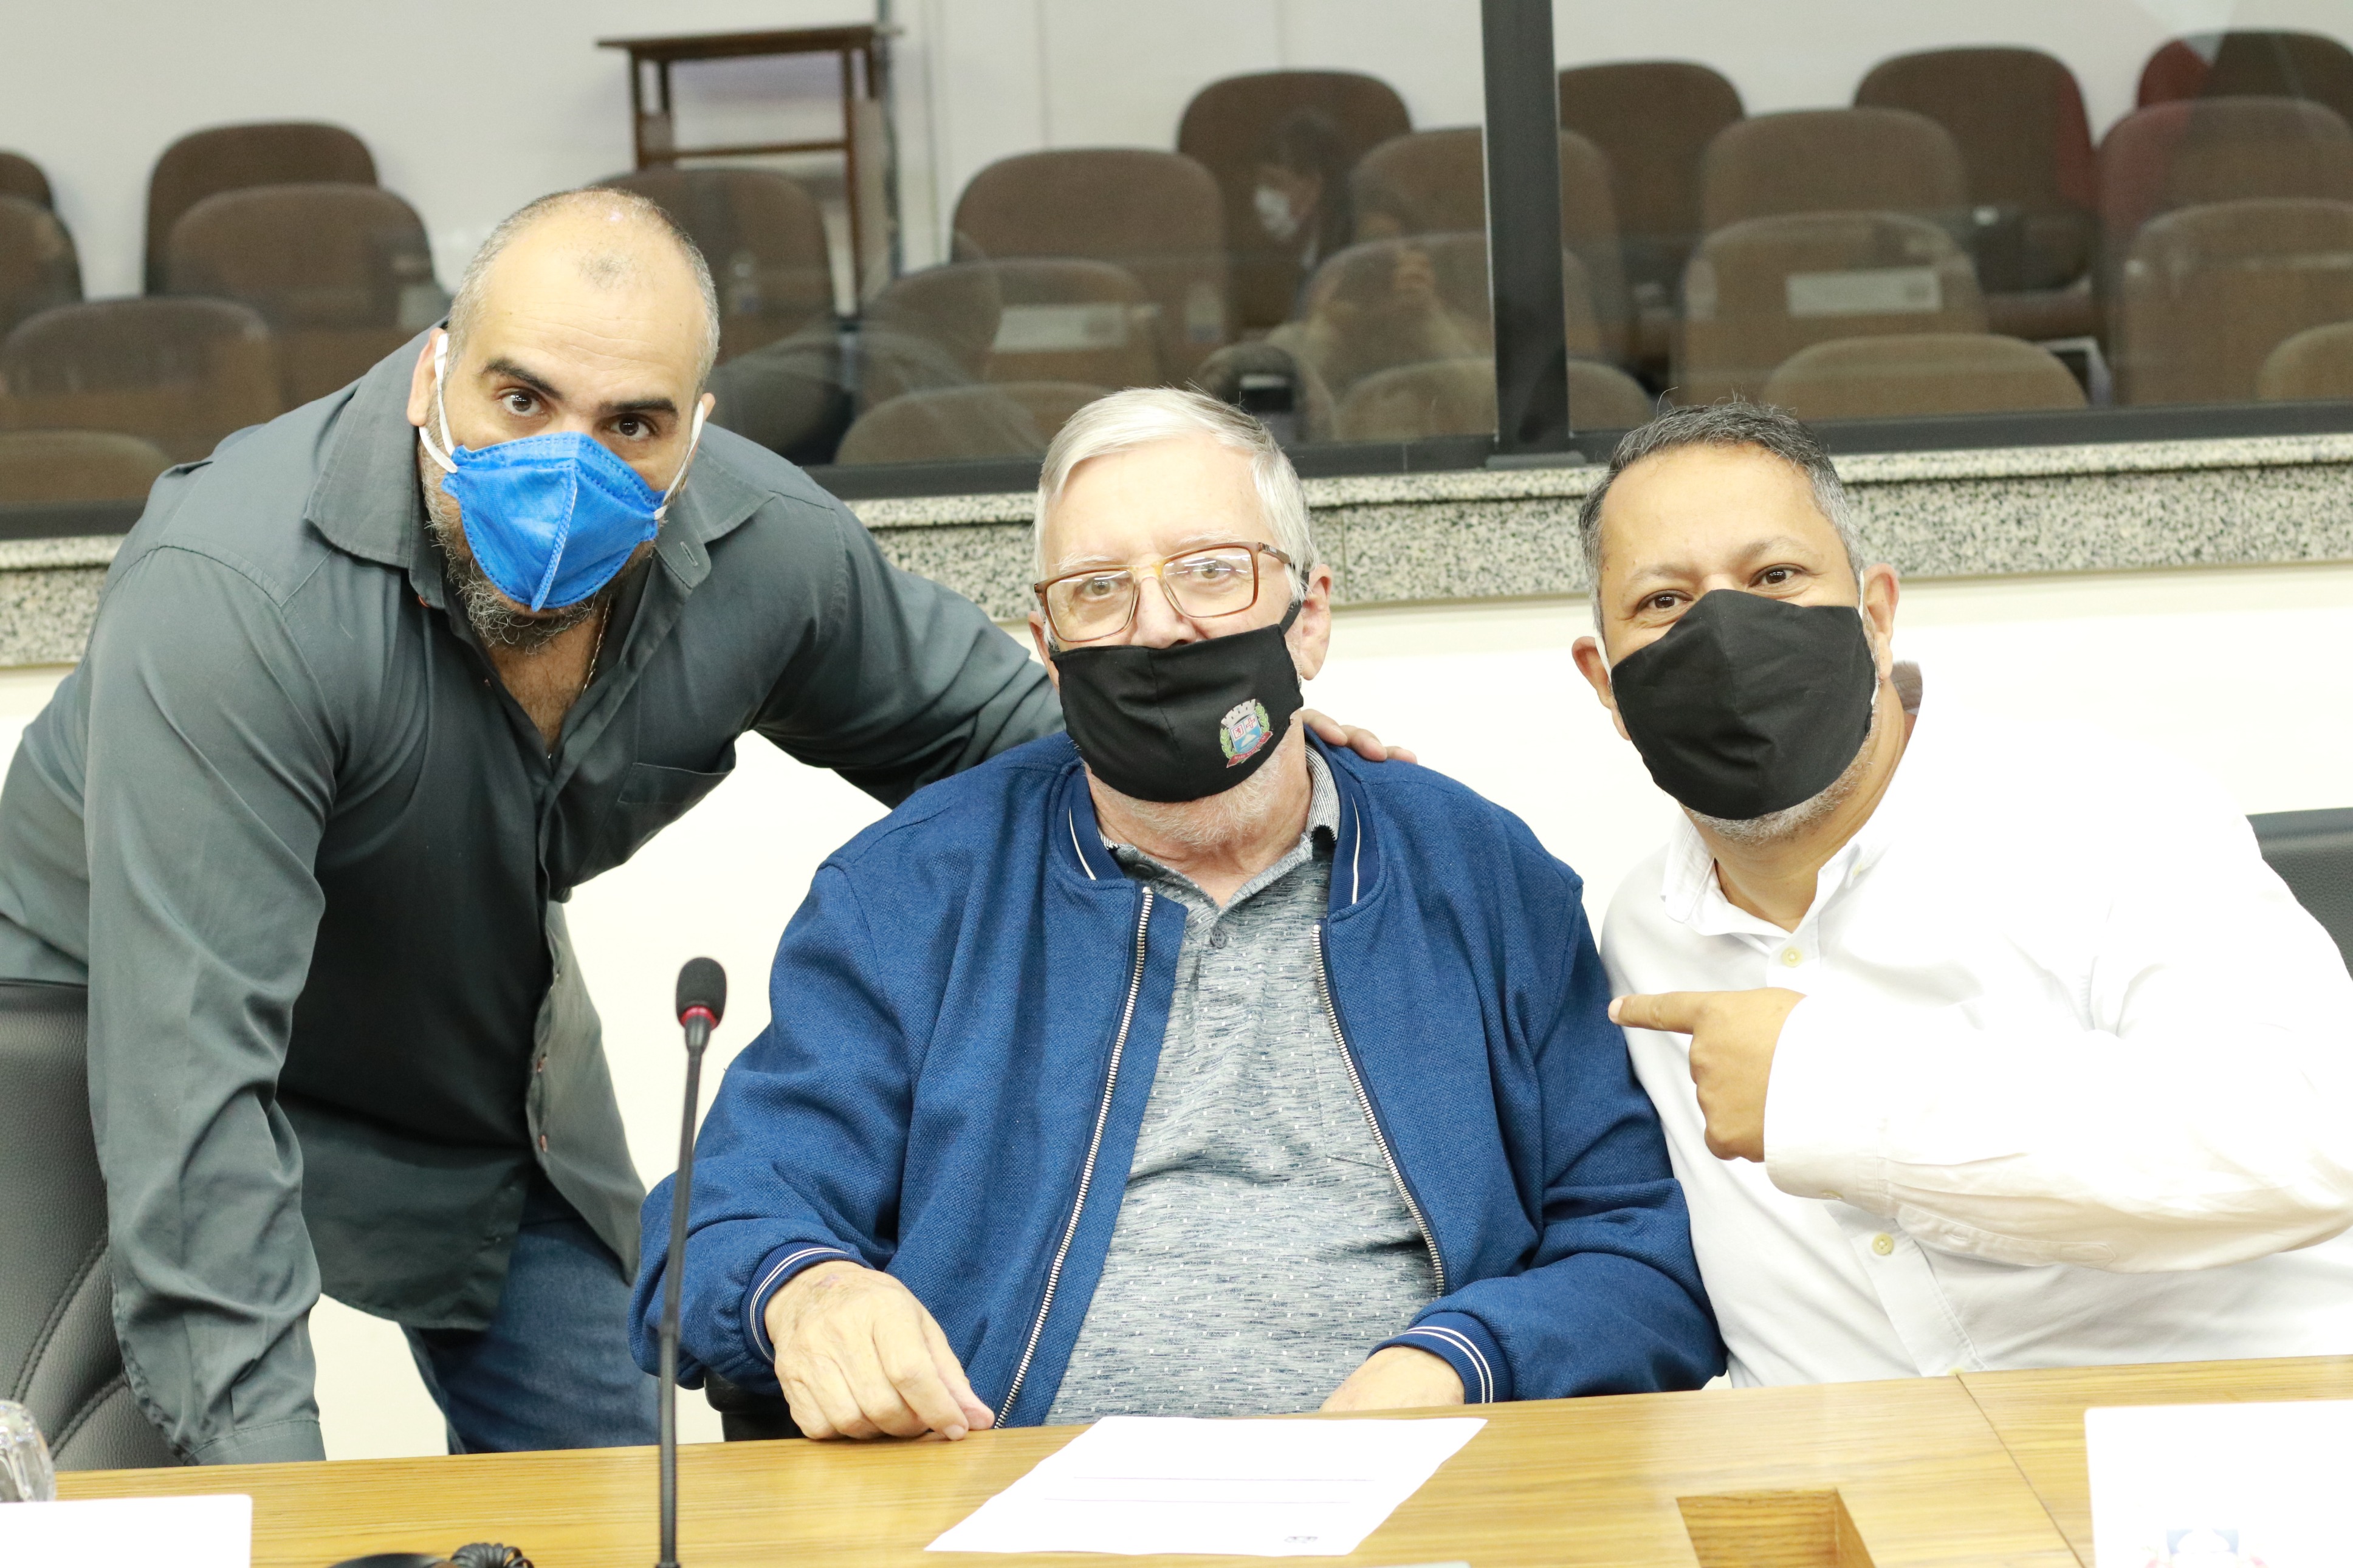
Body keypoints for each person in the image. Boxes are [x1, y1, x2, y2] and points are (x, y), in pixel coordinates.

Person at [0, 189, 1400, 1465]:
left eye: (631, 423)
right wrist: (268, 1512)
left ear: (695, 428)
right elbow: (194, 1101)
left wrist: (1226, 750)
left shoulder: (761, 550)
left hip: (455, 995)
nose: (568, 460)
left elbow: (1007, 742)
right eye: (518, 397)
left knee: (608, 1466)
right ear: (434, 373)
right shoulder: (233, 594)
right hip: (110, 1008)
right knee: (141, 1464)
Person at [633, 388, 1721, 1439]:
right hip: (1007, 1500)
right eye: (1098, 590)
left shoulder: (1484, 879)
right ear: (1049, 647)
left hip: (1419, 1492)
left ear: (1309, 617)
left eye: (1211, 571)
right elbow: (716, 1221)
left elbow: (1638, 1259)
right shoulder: (912, 893)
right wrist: (807, 1292)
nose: (1158, 626)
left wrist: (1462, 1359)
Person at [1570, 401, 2353, 1386]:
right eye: (1664, 602)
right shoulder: (1639, 938)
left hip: (2212, 1444)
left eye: (1776, 578)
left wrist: (1837, 1096)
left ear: (1876, 613)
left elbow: (2310, 1137)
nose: (1726, 633)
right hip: (1861, 1474)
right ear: (1606, 682)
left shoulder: (2110, 816)